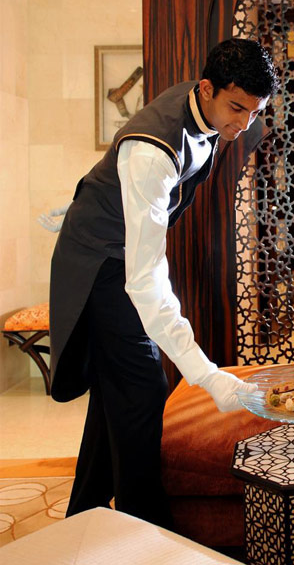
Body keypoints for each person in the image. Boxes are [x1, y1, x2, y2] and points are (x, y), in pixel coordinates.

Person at [46, 38, 280, 527]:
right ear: (207, 89)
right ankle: (146, 530)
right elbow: (145, 279)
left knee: (116, 391)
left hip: (111, 243)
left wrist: (86, 203)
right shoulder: (153, 151)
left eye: (254, 112)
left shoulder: (207, 109)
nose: (242, 124)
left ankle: (84, 517)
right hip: (99, 262)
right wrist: (206, 374)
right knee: (142, 389)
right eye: (236, 108)